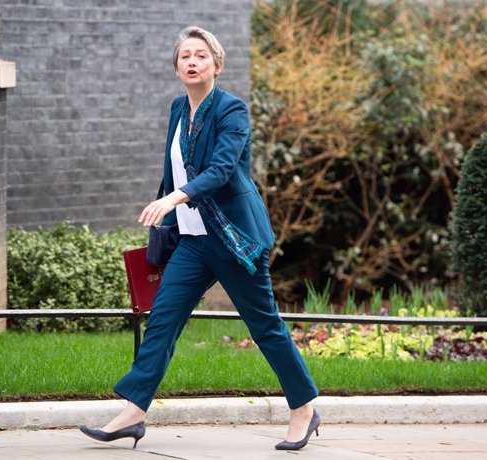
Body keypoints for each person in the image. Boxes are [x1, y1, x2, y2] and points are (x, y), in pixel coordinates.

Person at [80, 26, 320, 451]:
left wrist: (175, 199)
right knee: (163, 321)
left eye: (201, 55)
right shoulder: (178, 108)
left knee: (264, 326)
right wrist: (165, 218)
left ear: (216, 64)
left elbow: (222, 169)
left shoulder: (233, 111)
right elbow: (171, 169)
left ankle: (303, 408)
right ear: (177, 67)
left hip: (233, 240)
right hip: (192, 241)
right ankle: (134, 412)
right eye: (185, 56)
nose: (192, 61)